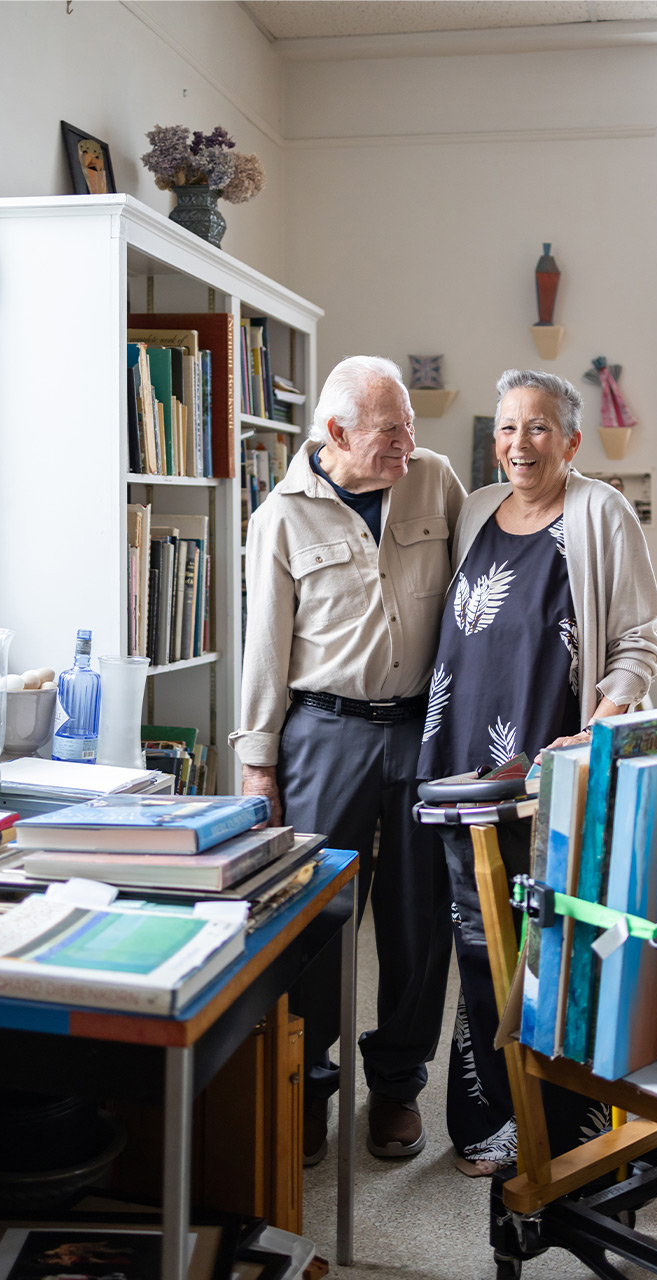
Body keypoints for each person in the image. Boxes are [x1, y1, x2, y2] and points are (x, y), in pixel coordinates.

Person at [417, 368, 657, 1174]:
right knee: (477, 940)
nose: (519, 444)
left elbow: (639, 639)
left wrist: (609, 715)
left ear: (571, 439)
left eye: (538, 429)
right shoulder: (480, 510)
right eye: (507, 429)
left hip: (548, 769)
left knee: (550, 946)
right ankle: (490, 1114)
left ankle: (561, 1127)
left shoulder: (602, 513)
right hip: (460, 764)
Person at [229, 355, 466, 1164]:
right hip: (324, 732)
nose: (408, 442)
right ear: (335, 433)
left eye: (410, 424)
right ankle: (311, 1087)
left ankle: (397, 1087)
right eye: (390, 429)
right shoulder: (280, 516)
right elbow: (263, 650)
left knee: (418, 915)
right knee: (316, 921)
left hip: (424, 730)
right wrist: (259, 767)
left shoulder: (434, 481)